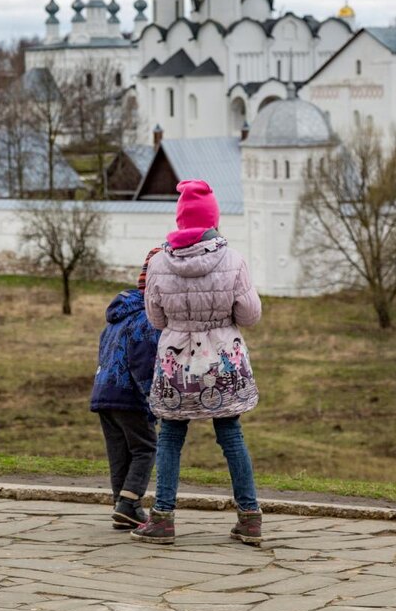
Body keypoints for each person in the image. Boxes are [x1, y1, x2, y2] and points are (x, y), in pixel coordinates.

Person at [132, 179, 264, 546]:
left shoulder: (159, 262)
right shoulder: (234, 259)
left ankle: (162, 517)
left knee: (171, 437)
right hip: (222, 361)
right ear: (212, 220)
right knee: (231, 435)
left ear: (180, 220)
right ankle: (249, 517)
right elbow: (250, 315)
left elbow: (155, 319)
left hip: (176, 363)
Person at [89, 248, 162, 530]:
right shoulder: (145, 319)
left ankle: (122, 505)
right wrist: (151, 397)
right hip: (129, 394)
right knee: (145, 447)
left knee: (119, 451)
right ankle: (130, 502)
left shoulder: (117, 318)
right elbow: (143, 361)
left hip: (104, 393)